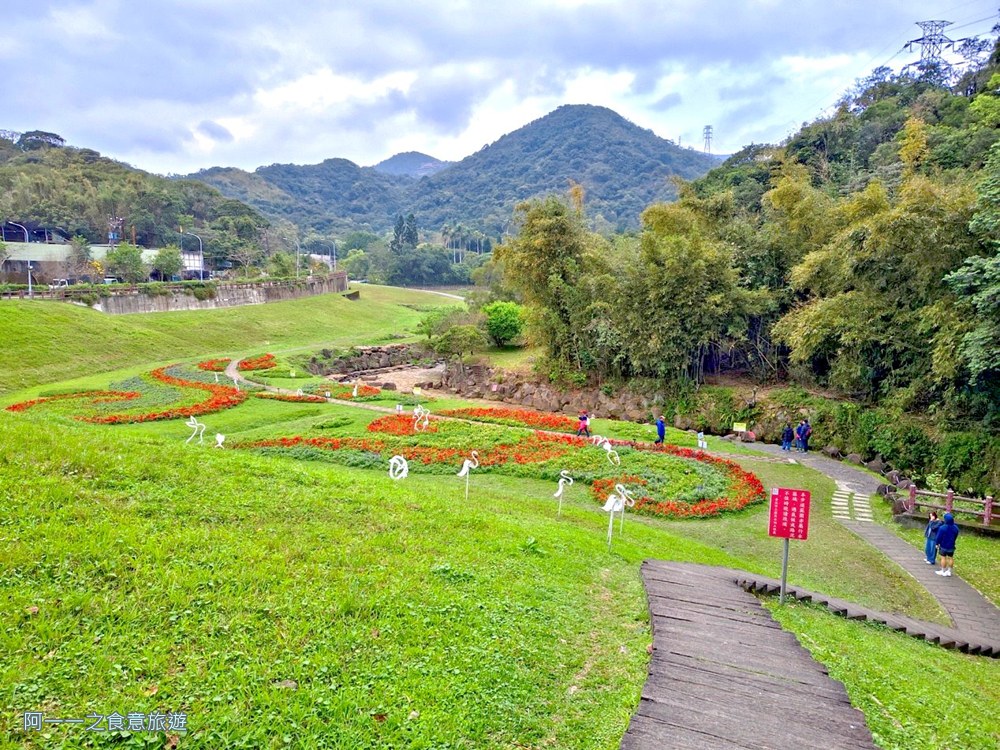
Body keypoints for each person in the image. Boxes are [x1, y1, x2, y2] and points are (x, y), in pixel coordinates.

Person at [935, 512, 960, 577]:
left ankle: (943, 570)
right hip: (951, 545)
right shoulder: (956, 528)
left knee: (943, 558)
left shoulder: (942, 528)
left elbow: (938, 537)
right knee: (950, 558)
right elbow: (955, 536)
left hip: (943, 545)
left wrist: (937, 543)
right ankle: (949, 571)